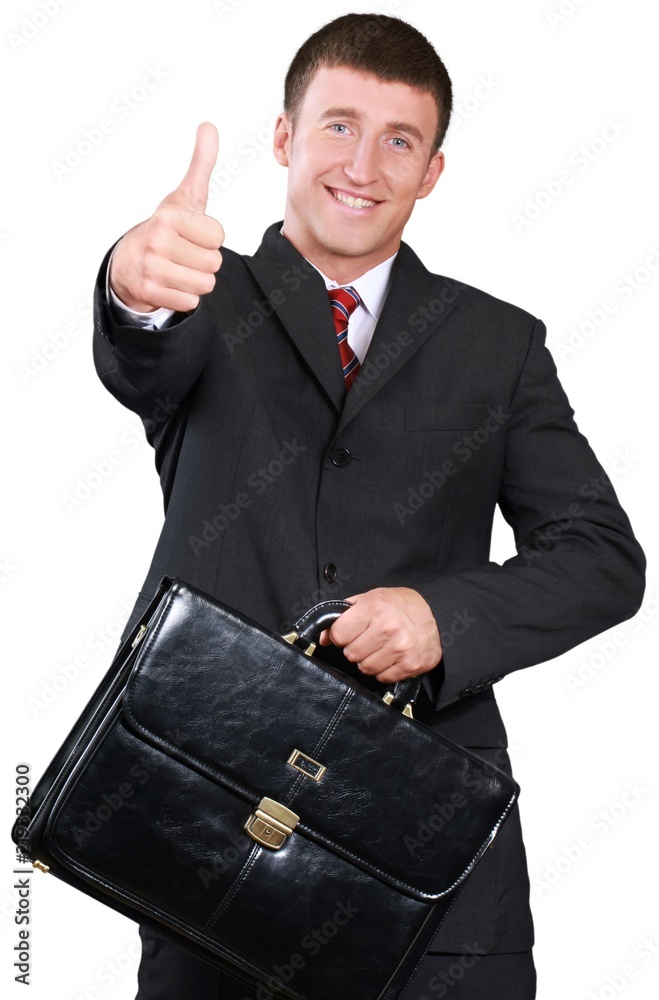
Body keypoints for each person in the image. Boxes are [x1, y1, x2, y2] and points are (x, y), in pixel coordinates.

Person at [92, 13, 645, 1000]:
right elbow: (145, 348)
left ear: (432, 170)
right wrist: (133, 287)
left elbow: (599, 555)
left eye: (400, 139)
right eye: (337, 125)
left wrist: (445, 618)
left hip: (433, 863)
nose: (364, 163)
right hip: (214, 828)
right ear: (282, 140)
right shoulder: (201, 303)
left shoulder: (497, 344)